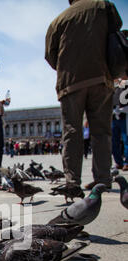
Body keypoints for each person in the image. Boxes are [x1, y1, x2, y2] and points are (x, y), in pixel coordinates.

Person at [45, 0, 123, 191]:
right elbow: (117, 31)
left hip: (70, 83)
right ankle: (103, 179)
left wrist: (67, 67)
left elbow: (49, 55)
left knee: (72, 132)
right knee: (101, 132)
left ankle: (72, 182)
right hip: (101, 77)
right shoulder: (104, 5)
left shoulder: (58, 20)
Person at [112, 78, 128, 171]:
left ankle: (127, 162)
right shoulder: (114, 83)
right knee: (114, 141)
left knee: (126, 140)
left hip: (124, 114)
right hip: (113, 115)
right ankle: (119, 162)